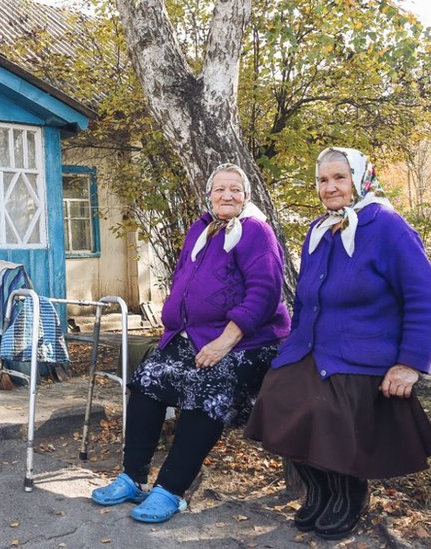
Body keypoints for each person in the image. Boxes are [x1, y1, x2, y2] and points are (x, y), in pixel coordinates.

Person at [245, 147, 431, 540]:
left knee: (328, 406)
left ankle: (348, 495)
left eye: (340, 178)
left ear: (360, 179)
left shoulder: (387, 225)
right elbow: (305, 300)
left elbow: (427, 296)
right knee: (278, 394)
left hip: (364, 351)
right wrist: (291, 349)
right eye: (323, 180)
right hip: (313, 348)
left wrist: (410, 363)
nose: (330, 187)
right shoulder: (319, 230)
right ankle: (320, 491)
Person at [91, 163, 290, 523]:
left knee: (209, 387)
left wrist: (224, 342)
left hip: (247, 340)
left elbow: (265, 293)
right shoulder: (202, 228)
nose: (227, 195)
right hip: (196, 334)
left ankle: (170, 489)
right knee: (148, 380)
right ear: (209, 195)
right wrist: (175, 322)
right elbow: (185, 274)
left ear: (246, 196)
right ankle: (132, 478)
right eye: (220, 189)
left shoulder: (255, 232)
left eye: (236, 189)